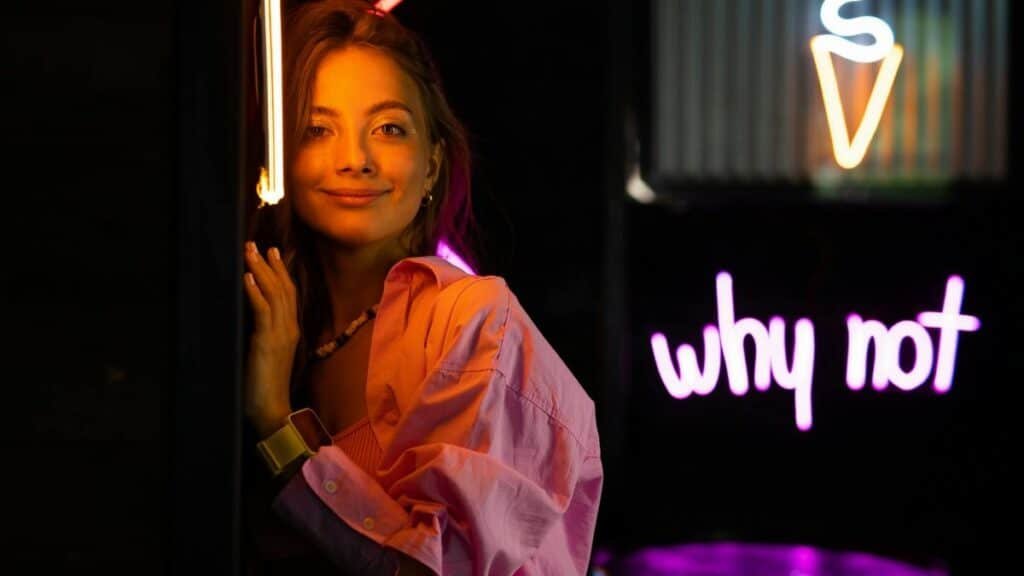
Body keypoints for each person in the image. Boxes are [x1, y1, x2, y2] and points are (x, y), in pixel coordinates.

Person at [242, 1, 603, 574]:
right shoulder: (275, 324)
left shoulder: (472, 322)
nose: (355, 159)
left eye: (387, 128)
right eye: (317, 127)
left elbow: (440, 566)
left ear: (432, 164)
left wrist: (276, 427)